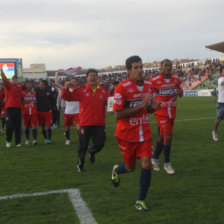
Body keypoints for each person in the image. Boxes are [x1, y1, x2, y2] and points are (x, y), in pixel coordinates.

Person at [111, 55, 160, 211]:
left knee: (146, 163)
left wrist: (153, 107)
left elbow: (149, 110)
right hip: (126, 134)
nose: (140, 70)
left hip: (144, 133)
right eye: (136, 68)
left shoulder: (149, 86)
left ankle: (140, 200)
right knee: (130, 168)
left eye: (141, 67)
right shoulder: (121, 88)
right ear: (128, 71)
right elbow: (117, 114)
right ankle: (117, 170)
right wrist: (141, 105)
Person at [61, 69, 110, 172]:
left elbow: (110, 104)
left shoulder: (104, 91)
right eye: (90, 76)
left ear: (98, 78)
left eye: (94, 76)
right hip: (85, 123)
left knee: (100, 144)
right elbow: (67, 97)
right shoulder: (81, 90)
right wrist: (65, 88)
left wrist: (114, 109)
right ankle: (80, 165)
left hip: (99, 123)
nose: (92, 77)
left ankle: (91, 151)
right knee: (83, 145)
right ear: (86, 78)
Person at [150, 59, 183, 175]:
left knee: (161, 137)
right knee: (168, 137)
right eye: (166, 65)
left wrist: (180, 93)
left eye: (170, 65)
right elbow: (149, 94)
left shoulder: (176, 79)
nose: (168, 67)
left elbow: (181, 93)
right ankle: (167, 164)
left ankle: (154, 159)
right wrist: (152, 103)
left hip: (172, 112)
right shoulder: (154, 81)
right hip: (161, 112)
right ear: (161, 68)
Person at [0, 68, 23, 147]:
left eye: (16, 79)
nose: (15, 80)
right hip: (9, 109)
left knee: (17, 126)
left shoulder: (19, 87)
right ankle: (8, 141)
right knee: (9, 125)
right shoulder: (9, 86)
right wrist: (2, 71)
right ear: (11, 80)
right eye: (13, 79)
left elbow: (26, 86)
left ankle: (18, 142)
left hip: (18, 109)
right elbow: (5, 79)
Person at [22, 81, 38, 145]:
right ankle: (27, 139)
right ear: (25, 86)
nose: (28, 86)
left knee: (34, 126)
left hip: (33, 113)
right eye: (27, 84)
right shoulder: (22, 93)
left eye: (29, 84)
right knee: (26, 127)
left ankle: (34, 140)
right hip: (25, 113)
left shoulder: (34, 93)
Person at [212, 66, 224, 141]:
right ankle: (214, 131)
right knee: (218, 119)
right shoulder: (220, 79)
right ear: (221, 73)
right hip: (221, 103)